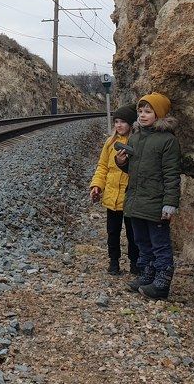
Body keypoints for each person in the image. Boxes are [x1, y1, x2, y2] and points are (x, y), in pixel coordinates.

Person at [114, 92, 180, 300]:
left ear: (158, 114)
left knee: (159, 243)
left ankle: (161, 282)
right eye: (140, 111)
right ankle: (147, 275)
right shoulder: (136, 137)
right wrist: (122, 162)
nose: (142, 115)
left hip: (156, 201)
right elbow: (133, 170)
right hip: (136, 199)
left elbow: (172, 175)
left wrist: (169, 203)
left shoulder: (168, 141)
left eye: (148, 111)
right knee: (142, 240)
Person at [88, 104, 140, 275]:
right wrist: (96, 186)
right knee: (113, 232)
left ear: (131, 124)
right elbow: (103, 166)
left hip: (129, 195)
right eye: (116, 121)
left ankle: (135, 262)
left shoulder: (137, 142)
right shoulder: (110, 143)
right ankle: (114, 261)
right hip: (111, 195)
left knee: (133, 233)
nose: (119, 125)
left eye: (123, 122)